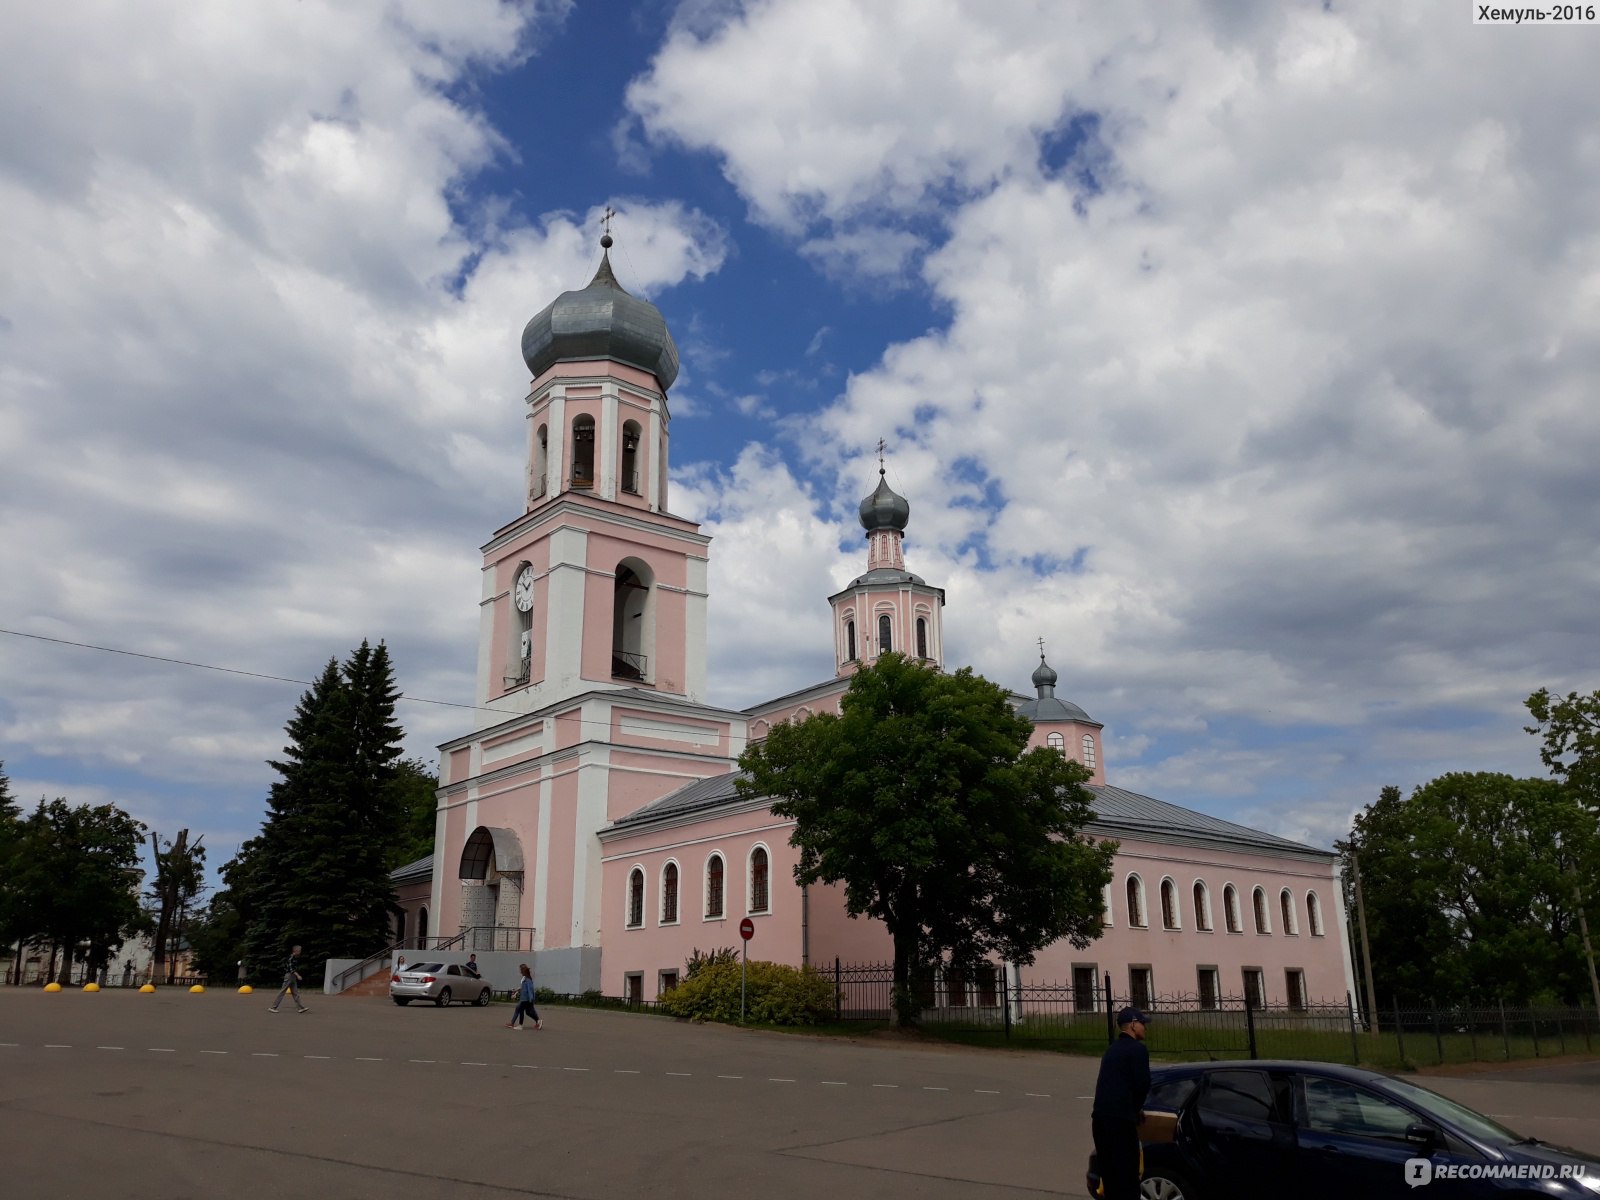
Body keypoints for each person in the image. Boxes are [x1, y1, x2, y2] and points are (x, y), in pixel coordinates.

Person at [1092, 1006, 1150, 1200]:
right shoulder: (1138, 1050)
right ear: (1133, 1025)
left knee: (1110, 1179)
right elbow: (1142, 1085)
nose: (1145, 1027)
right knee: (1128, 1180)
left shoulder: (1111, 1050)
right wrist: (1135, 1110)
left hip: (1100, 1122)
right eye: (1143, 1023)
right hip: (1121, 1123)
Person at [268, 944, 309, 1014]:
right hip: (289, 976)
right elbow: (291, 969)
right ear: (296, 951)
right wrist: (298, 975)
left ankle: (300, 1008)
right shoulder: (291, 958)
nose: (300, 952)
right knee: (283, 991)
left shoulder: (295, 958)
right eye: (299, 951)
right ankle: (273, 1007)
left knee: (295, 992)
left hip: (293, 976)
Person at [504, 963, 541, 1030]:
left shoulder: (528, 980)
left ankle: (519, 1025)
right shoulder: (525, 979)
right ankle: (538, 1021)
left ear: (523, 970)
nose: (520, 971)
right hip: (524, 999)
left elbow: (530, 989)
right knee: (528, 1012)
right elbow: (523, 988)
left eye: (520, 970)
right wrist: (516, 990)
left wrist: (531, 998)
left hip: (526, 999)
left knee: (520, 1009)